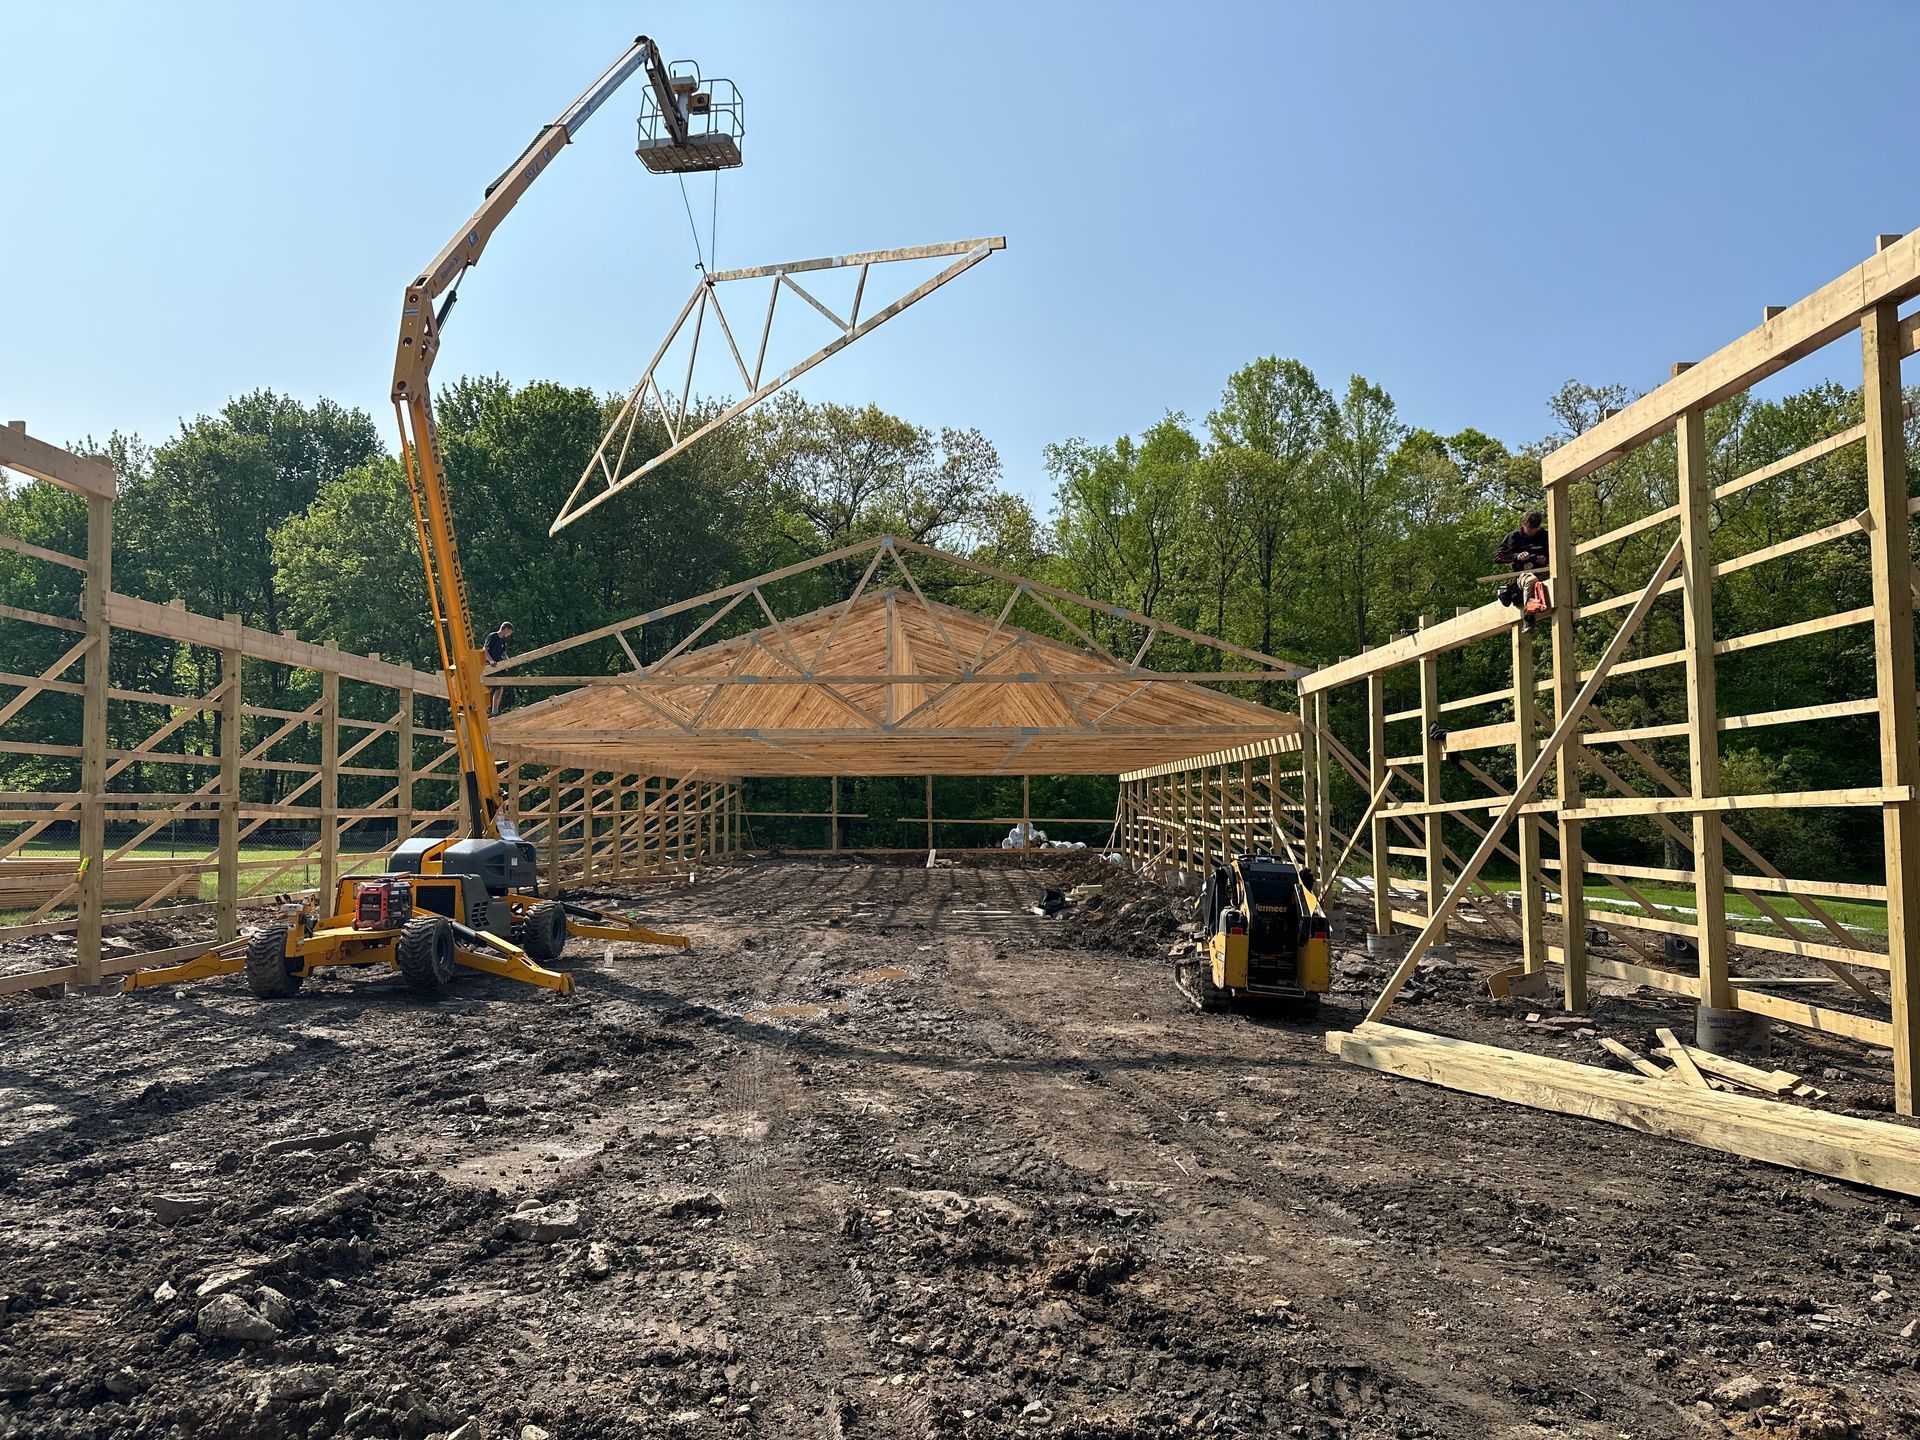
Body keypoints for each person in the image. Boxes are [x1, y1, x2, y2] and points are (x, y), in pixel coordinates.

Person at [484, 620, 514, 716]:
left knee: (499, 689)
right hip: (490, 666)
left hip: (499, 667)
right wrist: (491, 660)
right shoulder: (493, 636)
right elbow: (485, 650)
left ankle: (495, 711)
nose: (509, 635)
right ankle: (483, 711)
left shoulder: (503, 640)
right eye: (509, 632)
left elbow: (503, 653)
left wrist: (508, 662)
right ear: (506, 629)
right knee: (486, 689)